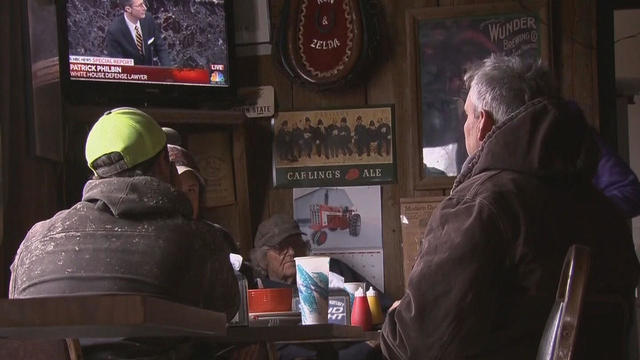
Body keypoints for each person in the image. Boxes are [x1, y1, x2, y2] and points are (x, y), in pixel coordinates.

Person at [381, 55, 640, 359]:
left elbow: (417, 347)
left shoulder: (481, 204)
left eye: (467, 116)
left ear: (483, 123)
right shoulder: (603, 212)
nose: (464, 126)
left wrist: (396, 321)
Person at [9, 107, 239, 359]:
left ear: (96, 174)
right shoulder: (195, 239)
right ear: (165, 165)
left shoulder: (36, 240)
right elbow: (225, 311)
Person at [250, 214, 388, 360]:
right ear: (263, 257)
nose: (291, 252)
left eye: (296, 244)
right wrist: (367, 346)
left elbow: (383, 307)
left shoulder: (332, 269)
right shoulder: (261, 297)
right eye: (281, 247)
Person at [106, 0, 172, 66]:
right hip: (131, 74)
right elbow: (118, 63)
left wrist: (168, 70)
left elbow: (160, 47)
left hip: (150, 71)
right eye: (140, 5)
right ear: (128, 9)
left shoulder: (148, 19)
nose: (145, 8)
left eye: (144, 3)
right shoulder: (114, 31)